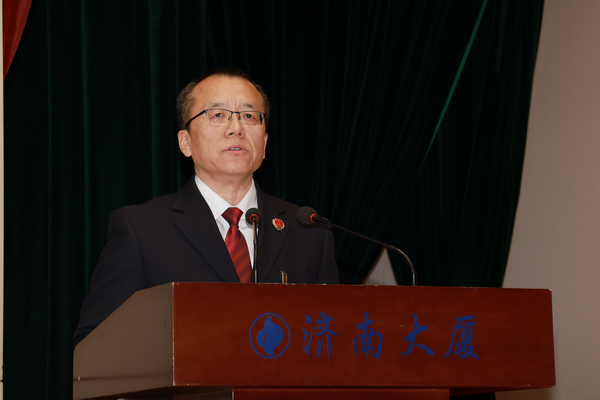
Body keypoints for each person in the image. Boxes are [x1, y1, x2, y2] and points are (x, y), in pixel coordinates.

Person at [73, 68, 339, 346]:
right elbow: (94, 342)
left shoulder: (309, 230)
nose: (236, 128)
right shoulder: (141, 230)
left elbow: (333, 336)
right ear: (185, 142)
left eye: (249, 116)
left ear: (264, 143)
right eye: (218, 115)